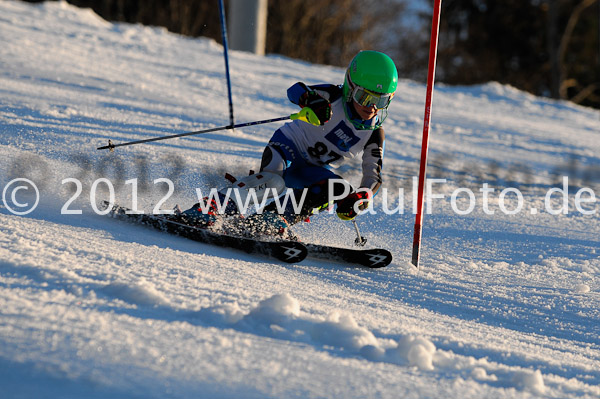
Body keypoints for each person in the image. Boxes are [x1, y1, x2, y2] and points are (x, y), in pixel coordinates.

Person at [180, 50, 398, 238]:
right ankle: (208, 209)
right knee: (272, 182)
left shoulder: (373, 134)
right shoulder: (332, 96)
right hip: (287, 148)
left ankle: (270, 221)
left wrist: (362, 196)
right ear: (350, 88)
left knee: (339, 189)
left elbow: (373, 176)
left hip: (312, 170)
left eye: (381, 100)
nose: (372, 107)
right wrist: (311, 101)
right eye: (365, 97)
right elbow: (295, 90)